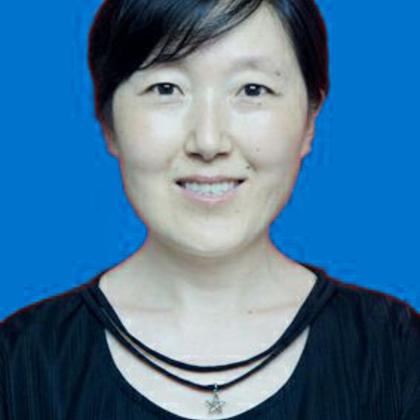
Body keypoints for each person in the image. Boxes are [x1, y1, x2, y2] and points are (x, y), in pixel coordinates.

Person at [0, 0, 419, 419]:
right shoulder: (22, 361)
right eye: (166, 89)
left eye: (252, 90)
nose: (208, 141)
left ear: (309, 121)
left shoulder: (394, 351)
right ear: (108, 121)